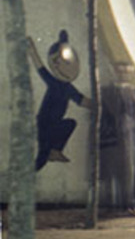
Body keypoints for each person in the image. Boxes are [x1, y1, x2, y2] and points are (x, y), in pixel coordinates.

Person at [27, 32, 91, 171]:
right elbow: (40, 68)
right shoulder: (54, 82)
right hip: (44, 123)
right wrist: (32, 51)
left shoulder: (68, 88)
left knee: (70, 124)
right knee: (42, 156)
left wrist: (96, 105)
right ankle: (29, 172)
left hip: (55, 124)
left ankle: (54, 151)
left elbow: (81, 100)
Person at [102, 63, 135, 215]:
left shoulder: (131, 90)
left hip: (128, 135)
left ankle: (129, 203)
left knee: (129, 169)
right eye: (121, 71)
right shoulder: (108, 91)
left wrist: (131, 124)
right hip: (114, 138)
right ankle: (114, 205)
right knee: (113, 171)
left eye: (127, 72)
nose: (124, 74)